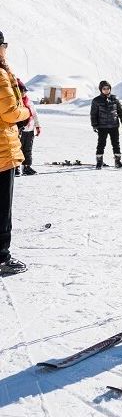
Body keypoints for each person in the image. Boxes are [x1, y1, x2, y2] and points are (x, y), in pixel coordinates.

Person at [0, 31, 30, 275]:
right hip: (2, 150)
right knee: (2, 207)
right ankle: (2, 257)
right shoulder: (0, 74)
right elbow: (10, 113)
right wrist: (26, 112)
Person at [90, 80, 122, 169]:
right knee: (101, 144)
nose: (106, 90)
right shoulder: (96, 100)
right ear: (101, 89)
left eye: (108, 88)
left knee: (116, 144)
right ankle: (99, 161)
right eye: (104, 88)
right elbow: (93, 114)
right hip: (102, 126)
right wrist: (94, 125)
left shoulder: (115, 99)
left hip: (114, 125)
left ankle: (117, 161)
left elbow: (120, 111)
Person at [14, 77, 40, 176]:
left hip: (30, 129)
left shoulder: (29, 102)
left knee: (28, 149)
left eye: (25, 91)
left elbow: (34, 114)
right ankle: (16, 167)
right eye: (22, 91)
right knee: (18, 149)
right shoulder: (16, 102)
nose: (24, 93)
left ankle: (27, 167)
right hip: (20, 130)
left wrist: (38, 126)